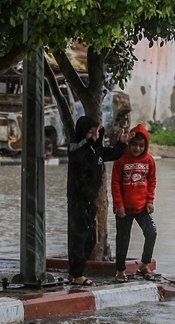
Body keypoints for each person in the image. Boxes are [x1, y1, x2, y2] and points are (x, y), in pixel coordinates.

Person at [67, 116, 127, 286]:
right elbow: (78, 153)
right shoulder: (75, 149)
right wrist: (89, 141)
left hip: (90, 201)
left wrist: (121, 143)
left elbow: (114, 153)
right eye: (89, 132)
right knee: (78, 237)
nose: (94, 135)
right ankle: (77, 274)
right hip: (77, 201)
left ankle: (74, 272)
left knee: (90, 239)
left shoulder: (98, 151)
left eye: (96, 132)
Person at [111, 124, 157, 282]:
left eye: (141, 145)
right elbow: (115, 184)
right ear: (129, 144)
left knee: (151, 233)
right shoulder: (121, 160)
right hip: (124, 209)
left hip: (142, 207)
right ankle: (120, 270)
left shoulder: (149, 161)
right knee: (123, 239)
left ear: (146, 146)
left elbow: (152, 181)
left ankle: (144, 265)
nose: (137, 148)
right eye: (134, 145)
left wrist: (150, 201)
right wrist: (119, 205)